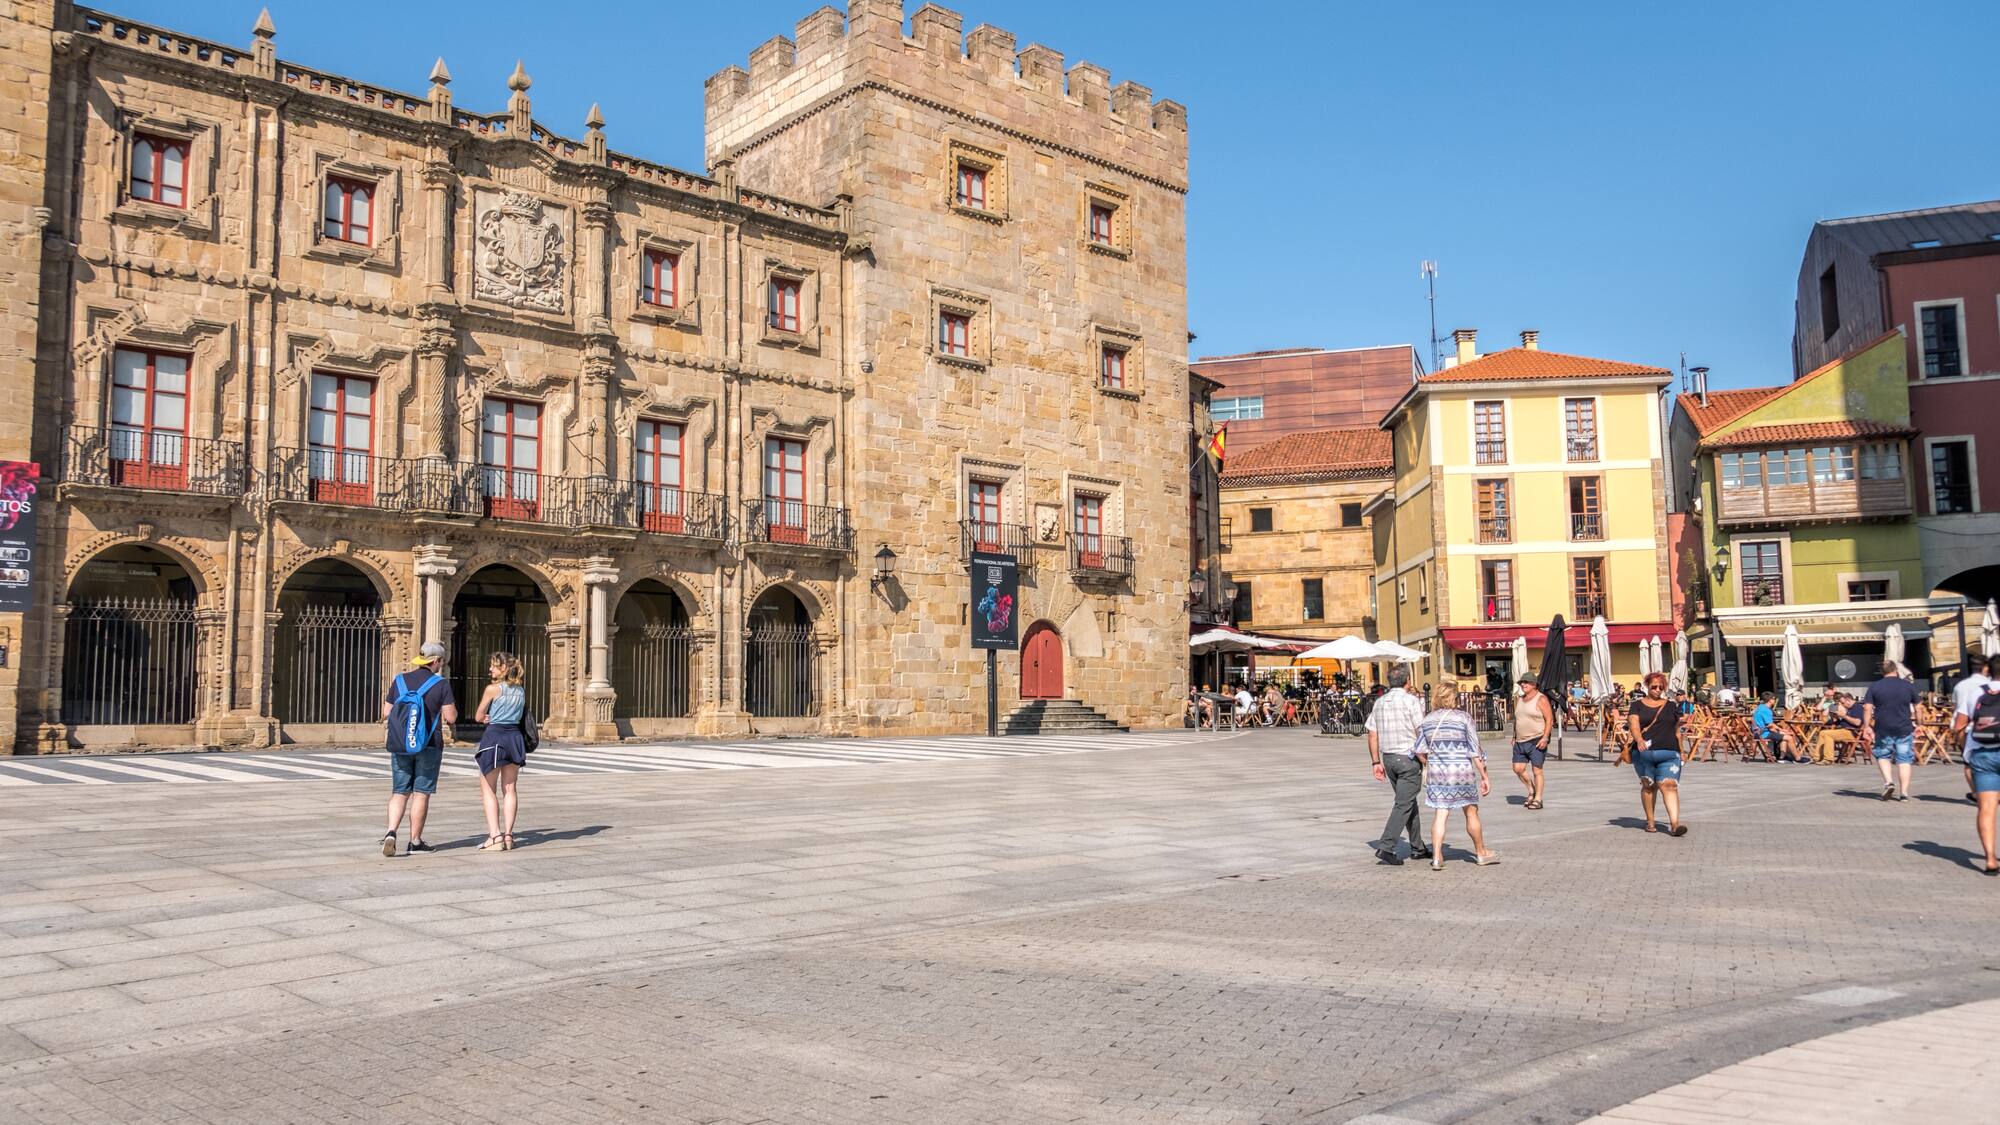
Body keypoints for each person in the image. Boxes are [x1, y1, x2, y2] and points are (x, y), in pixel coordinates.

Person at [381, 641, 457, 857]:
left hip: (401, 745)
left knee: (399, 792)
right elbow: (451, 717)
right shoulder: (441, 684)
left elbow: (386, 712)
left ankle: (391, 832)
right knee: (421, 793)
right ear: (437, 661)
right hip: (429, 745)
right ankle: (415, 841)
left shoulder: (400, 680)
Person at [1411, 680, 1498, 870]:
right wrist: (1485, 776)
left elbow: (1419, 750)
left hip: (1438, 775)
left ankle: (1437, 857)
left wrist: (1430, 762)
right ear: (1455, 698)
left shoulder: (1427, 720)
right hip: (1461, 773)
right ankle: (1481, 853)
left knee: (1440, 814)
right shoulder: (1463, 718)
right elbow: (1475, 750)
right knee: (1471, 812)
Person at [1365, 664, 1430, 865]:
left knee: (1408, 801)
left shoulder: (1380, 702)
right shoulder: (1411, 701)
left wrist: (1375, 761)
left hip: (1389, 759)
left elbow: (1372, 733)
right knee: (1403, 803)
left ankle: (1418, 847)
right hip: (1408, 758)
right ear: (1407, 680)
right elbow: (1420, 730)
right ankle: (1386, 846)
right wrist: (1425, 758)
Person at [472, 651, 531, 851]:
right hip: (514, 738)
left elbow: (478, 715)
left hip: (495, 737)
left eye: (494, 665)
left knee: (488, 788)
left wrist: (486, 717)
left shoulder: (492, 689)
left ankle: (495, 836)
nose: (490, 669)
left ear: (504, 668)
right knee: (510, 789)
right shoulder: (520, 690)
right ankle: (508, 835)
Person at [1626, 671, 1687, 836]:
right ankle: (1650, 821)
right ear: (1647, 686)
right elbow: (1633, 725)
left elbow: (1677, 731)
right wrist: (1639, 739)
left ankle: (1675, 824)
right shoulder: (1636, 705)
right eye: (1654, 687)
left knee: (1670, 786)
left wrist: (1682, 751)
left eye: (1661, 687)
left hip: (1670, 751)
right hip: (1644, 753)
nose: (1657, 690)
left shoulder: (1671, 706)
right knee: (1649, 786)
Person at [1957, 666, 2000, 875]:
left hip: (1983, 754)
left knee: (1986, 809)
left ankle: (1990, 859)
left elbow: (1959, 725)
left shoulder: (1977, 691)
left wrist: (1965, 751)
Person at [1862, 660, 1924, 801]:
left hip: (1882, 727)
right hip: (1904, 727)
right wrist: (1920, 724)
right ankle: (1904, 794)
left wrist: (1866, 726)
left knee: (1883, 755)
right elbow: (1918, 707)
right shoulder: (1908, 685)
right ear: (1896, 670)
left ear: (1882, 672)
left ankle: (1889, 782)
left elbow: (1867, 708)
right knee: (1904, 759)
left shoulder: (1875, 686)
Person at [1952, 657, 1996, 801]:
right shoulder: (1989, 686)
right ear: (1986, 668)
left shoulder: (1960, 686)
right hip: (1992, 731)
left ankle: (1977, 793)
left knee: (1968, 764)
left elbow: (1957, 711)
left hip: (1969, 732)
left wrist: (1960, 740)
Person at [1511, 676, 1555, 810]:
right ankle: (1531, 789)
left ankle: (1538, 799)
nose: (1523, 684)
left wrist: (1545, 738)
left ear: (1534, 684)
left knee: (1537, 770)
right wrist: (1514, 735)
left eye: (1526, 682)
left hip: (1536, 739)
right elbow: (1517, 719)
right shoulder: (1520, 699)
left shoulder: (1541, 699)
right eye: (1521, 682)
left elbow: (1549, 720)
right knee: (1517, 768)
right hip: (1520, 741)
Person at [1751, 692, 1802, 763]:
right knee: (1789, 738)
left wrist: (1781, 731)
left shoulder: (1760, 707)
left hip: (1757, 732)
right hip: (1764, 733)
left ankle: (1782, 757)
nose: (1775, 700)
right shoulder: (1766, 710)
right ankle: (1797, 758)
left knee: (1785, 735)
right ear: (1770, 700)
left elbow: (1770, 725)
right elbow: (1771, 726)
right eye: (1774, 699)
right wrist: (1781, 731)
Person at [1817, 692, 1865, 764]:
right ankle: (1817, 757)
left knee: (1827, 734)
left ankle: (1828, 759)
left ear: (1848, 700)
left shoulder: (1858, 707)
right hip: (1845, 730)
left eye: (1843, 703)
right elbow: (1845, 721)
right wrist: (1836, 719)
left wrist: (1843, 716)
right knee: (1822, 733)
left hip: (1852, 732)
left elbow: (1857, 722)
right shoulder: (1850, 708)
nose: (1842, 705)